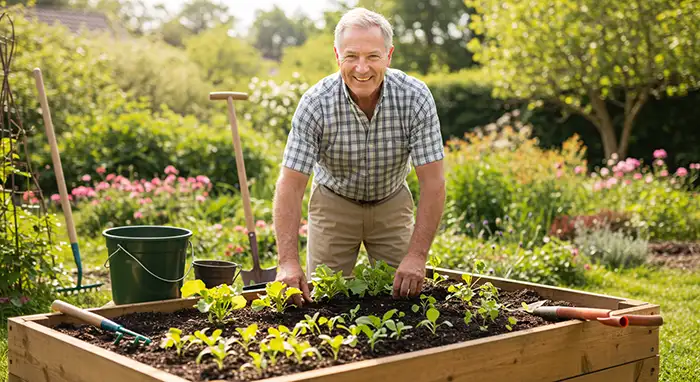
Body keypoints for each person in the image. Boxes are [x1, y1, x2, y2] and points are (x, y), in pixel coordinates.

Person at [272, 7, 446, 307]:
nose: (362, 68)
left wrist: (417, 256)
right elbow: (290, 183)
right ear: (337, 56)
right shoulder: (316, 103)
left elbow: (433, 182)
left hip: (391, 201)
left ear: (389, 56)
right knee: (326, 301)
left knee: (404, 299)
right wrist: (287, 261)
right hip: (334, 204)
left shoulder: (415, 97)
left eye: (373, 56)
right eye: (351, 56)